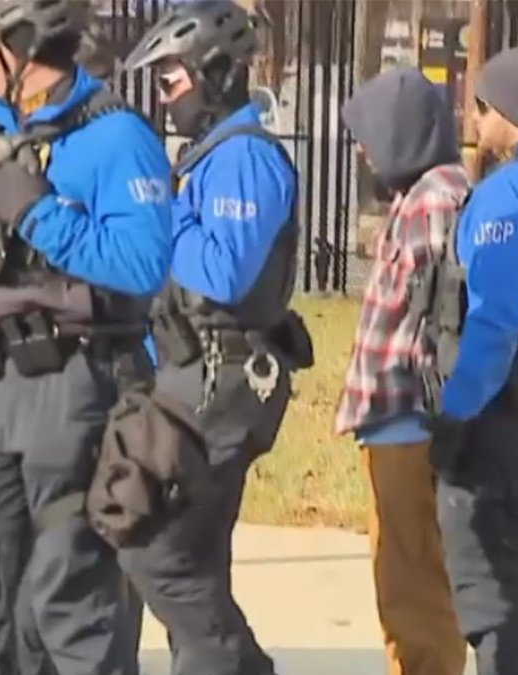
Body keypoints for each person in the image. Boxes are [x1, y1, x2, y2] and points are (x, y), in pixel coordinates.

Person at [0, 0, 173, 672]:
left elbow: (143, 263)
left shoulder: (116, 137)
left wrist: (34, 211)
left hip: (70, 390)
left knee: (69, 604)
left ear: (20, 47)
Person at [122, 2, 311, 673]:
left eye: (171, 80)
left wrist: (157, 210)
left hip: (224, 383)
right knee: (194, 562)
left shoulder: (245, 160)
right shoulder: (208, 158)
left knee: (159, 552)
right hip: (191, 376)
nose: (165, 97)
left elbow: (222, 272)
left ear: (217, 72)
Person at [334, 66, 470, 675]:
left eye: (369, 135)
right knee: (399, 582)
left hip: (411, 422)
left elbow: (449, 313)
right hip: (389, 422)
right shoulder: (414, 198)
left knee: (416, 588)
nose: (362, 150)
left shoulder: (438, 199)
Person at [426, 45, 518, 675]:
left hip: (505, 430)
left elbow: (494, 322)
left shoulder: (505, 200)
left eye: (480, 106)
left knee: (498, 604)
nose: (474, 119)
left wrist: (453, 412)